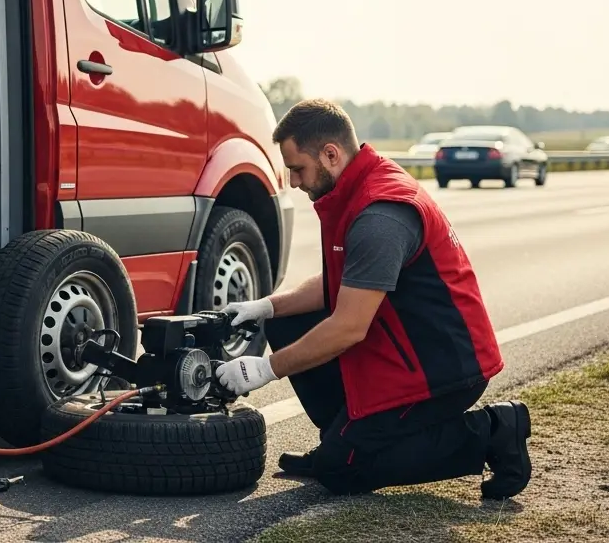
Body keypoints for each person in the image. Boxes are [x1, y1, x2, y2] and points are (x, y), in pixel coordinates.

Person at [213, 98, 532, 499]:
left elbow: (348, 326)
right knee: (284, 320)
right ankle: (340, 437)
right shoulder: (358, 187)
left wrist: (266, 369)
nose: (293, 182)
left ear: (330, 154)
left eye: (298, 169)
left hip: (442, 369)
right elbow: (347, 282)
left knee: (342, 471)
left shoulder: (379, 215)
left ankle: (494, 431)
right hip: (402, 349)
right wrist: (266, 307)